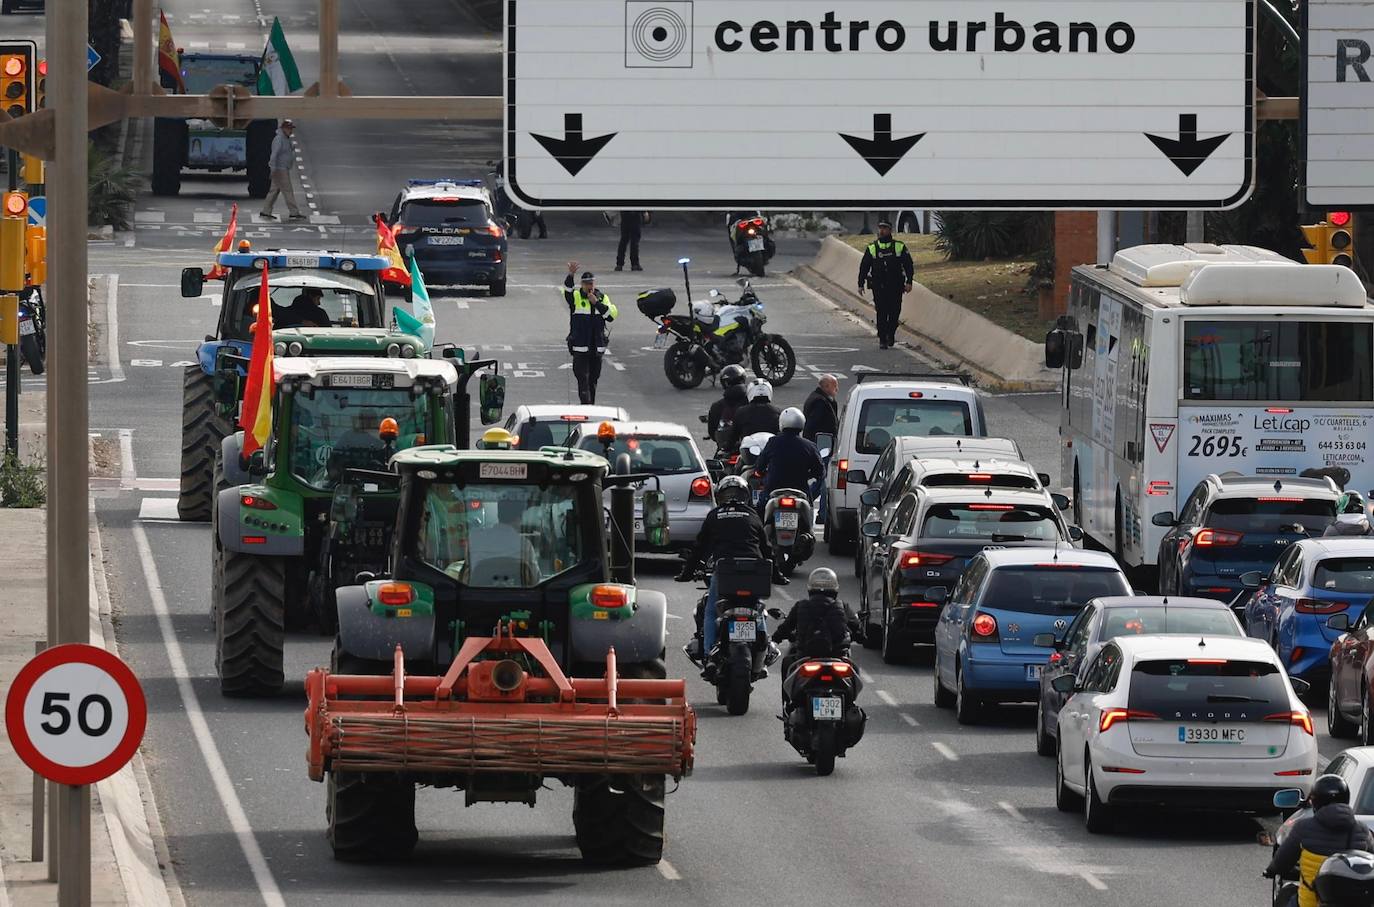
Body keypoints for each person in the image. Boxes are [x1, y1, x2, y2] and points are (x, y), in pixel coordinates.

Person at [676, 475, 780, 673]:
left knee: (710, 611)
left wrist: (686, 573)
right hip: (754, 572)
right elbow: (767, 549)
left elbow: (700, 548)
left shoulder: (715, 515)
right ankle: (764, 652)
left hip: (725, 572)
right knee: (757, 610)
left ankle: (708, 656)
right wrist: (777, 574)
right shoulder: (753, 515)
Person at [1265, 774, 1374, 907]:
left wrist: (1271, 870)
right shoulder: (1362, 830)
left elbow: (1283, 861)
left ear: (1316, 801)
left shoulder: (1303, 828)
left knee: (1286, 895)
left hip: (1309, 903)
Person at [772, 567, 856, 699]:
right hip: (837, 656)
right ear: (835, 588)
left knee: (787, 663)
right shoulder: (843, 606)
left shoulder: (801, 605)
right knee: (853, 668)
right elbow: (857, 628)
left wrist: (775, 639)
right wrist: (861, 636)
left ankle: (788, 704)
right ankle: (850, 701)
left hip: (806, 656)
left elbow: (785, 627)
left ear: (810, 588)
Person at [561, 262, 618, 405]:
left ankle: (590, 406)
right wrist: (571, 275)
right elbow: (567, 291)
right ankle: (586, 406)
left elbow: (611, 316)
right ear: (582, 285)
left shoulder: (602, 298)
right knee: (583, 379)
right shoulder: (576, 297)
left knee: (593, 380)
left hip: (596, 347)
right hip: (580, 347)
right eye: (586, 284)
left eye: (591, 283)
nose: (589, 286)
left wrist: (597, 303)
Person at [857, 220, 914, 349]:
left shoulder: (899, 246)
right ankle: (882, 338)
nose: (882, 231)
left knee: (894, 312)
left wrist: (909, 281)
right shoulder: (872, 248)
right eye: (880, 228)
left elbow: (908, 265)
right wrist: (860, 284)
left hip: (896, 286)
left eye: (885, 228)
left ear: (890, 230)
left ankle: (891, 333)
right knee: (881, 312)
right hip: (879, 286)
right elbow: (864, 267)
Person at [755, 407, 825, 503]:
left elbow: (760, 465)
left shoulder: (773, 442)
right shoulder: (809, 446)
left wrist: (763, 474)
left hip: (773, 489)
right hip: (800, 491)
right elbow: (820, 472)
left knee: (760, 508)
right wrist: (808, 475)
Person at [260, 119, 306, 221]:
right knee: (288, 191)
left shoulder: (285, 138)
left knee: (274, 191)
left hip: (281, 169)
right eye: (289, 128)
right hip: (280, 170)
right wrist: (272, 168)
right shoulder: (279, 139)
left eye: (291, 129)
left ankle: (265, 211)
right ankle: (294, 212)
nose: (291, 131)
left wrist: (291, 149)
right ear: (283, 128)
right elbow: (274, 154)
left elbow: (284, 152)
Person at [721, 378, 781, 453]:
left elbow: (733, 436)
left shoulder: (741, 412)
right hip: (772, 453)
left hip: (749, 454)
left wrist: (726, 448)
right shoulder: (778, 412)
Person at [707, 364, 749, 446]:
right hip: (749, 447)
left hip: (726, 449)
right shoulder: (751, 402)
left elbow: (712, 433)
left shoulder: (716, 406)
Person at [802, 374, 839, 443]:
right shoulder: (820, 402)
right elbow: (812, 425)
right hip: (820, 442)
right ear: (826, 386)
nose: (837, 389)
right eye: (835, 386)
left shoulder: (820, 398)